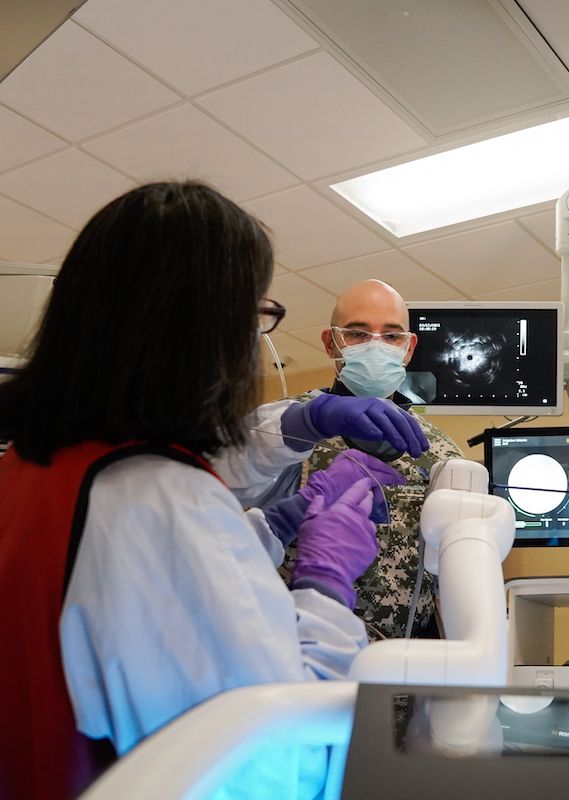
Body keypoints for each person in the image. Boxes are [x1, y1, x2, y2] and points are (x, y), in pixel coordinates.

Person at [0, 181, 400, 799]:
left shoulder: (32, 467)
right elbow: (271, 767)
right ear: (202, 332)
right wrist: (325, 583)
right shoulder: (160, 498)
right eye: (254, 318)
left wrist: (267, 529)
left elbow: (124, 600)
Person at [234, 279, 464, 641]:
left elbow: (453, 578)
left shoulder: (441, 452)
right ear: (330, 343)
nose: (376, 347)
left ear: (408, 348)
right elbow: (235, 461)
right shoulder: (288, 427)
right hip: (293, 652)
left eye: (391, 336)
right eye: (357, 334)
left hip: (405, 669)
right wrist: (311, 421)